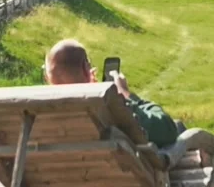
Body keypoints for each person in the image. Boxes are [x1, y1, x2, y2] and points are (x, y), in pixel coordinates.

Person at [44, 39, 178, 148]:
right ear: (86, 68)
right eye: (89, 64)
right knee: (179, 126)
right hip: (116, 177)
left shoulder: (37, 114)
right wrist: (126, 95)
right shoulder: (106, 109)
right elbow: (167, 129)